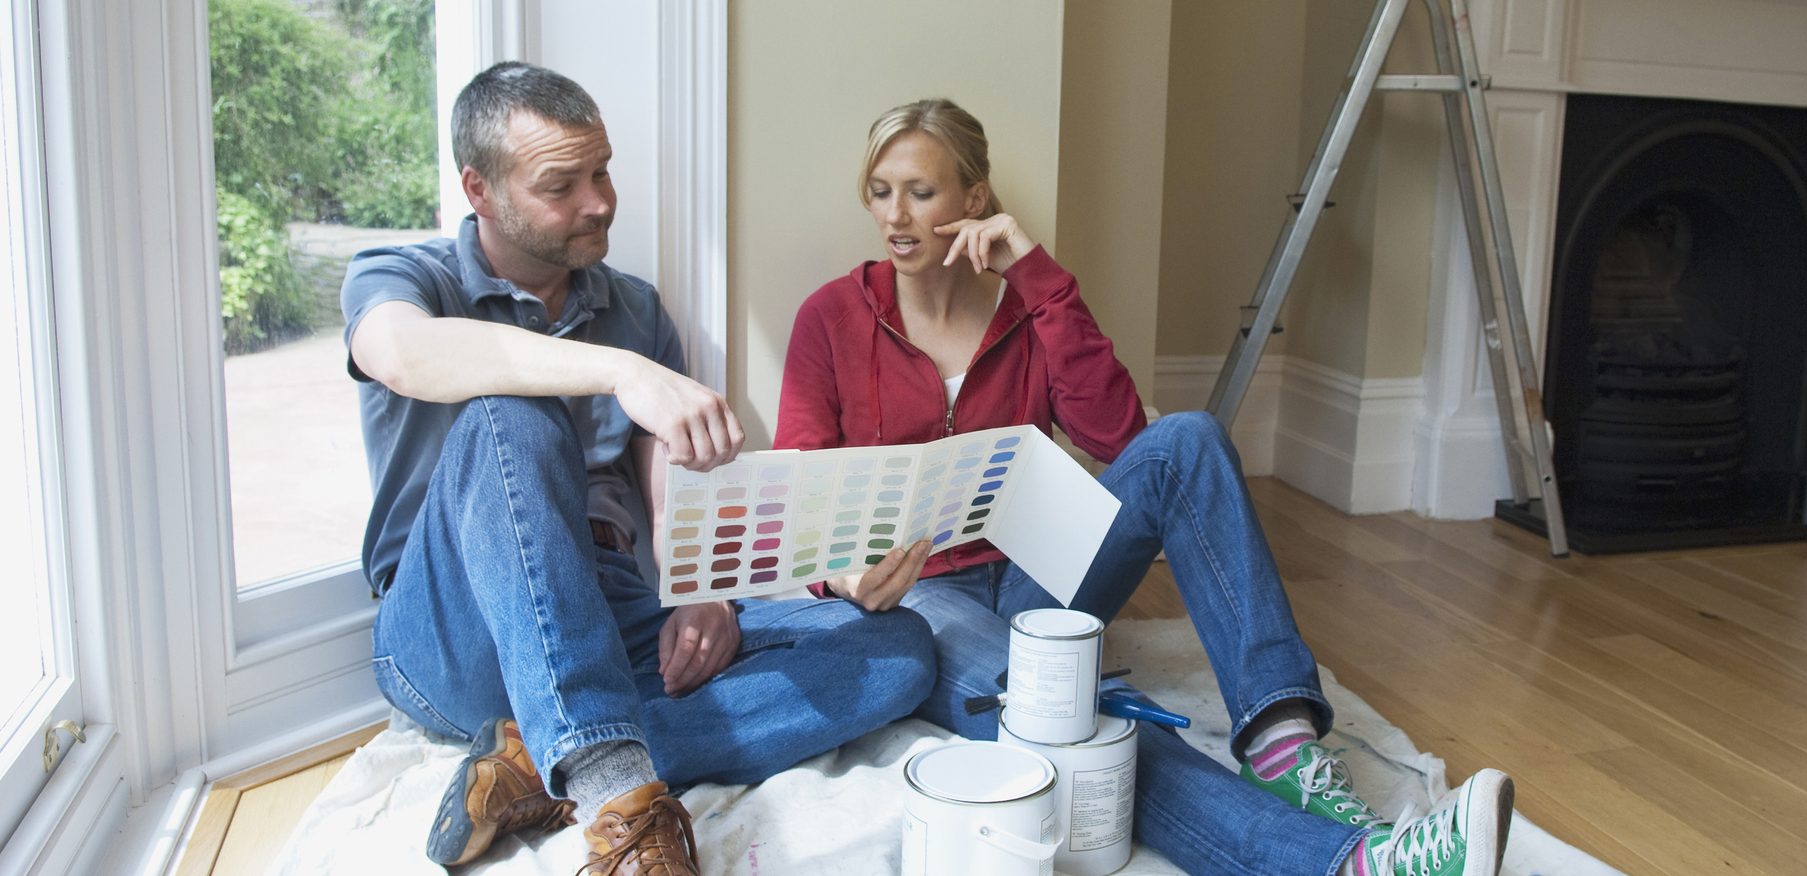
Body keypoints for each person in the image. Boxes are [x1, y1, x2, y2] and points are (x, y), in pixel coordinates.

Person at [775, 98, 1517, 876]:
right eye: (880, 189)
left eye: (920, 192)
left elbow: (1121, 437)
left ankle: (1282, 744)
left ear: (973, 199)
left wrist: (1039, 279)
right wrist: (846, 577)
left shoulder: (1027, 308)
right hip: (921, 599)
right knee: (1082, 721)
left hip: (1036, 569)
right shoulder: (829, 317)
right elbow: (802, 485)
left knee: (1185, 440)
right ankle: (1349, 866)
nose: (895, 214)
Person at [344, 63, 937, 876]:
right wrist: (619, 372)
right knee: (510, 408)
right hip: (452, 631)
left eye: (603, 169)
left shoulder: (632, 306)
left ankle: (533, 763)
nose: (599, 201)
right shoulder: (404, 276)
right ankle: (616, 793)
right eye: (563, 184)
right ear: (479, 190)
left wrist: (702, 587)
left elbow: (670, 473)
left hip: (608, 603)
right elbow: (399, 354)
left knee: (898, 651)